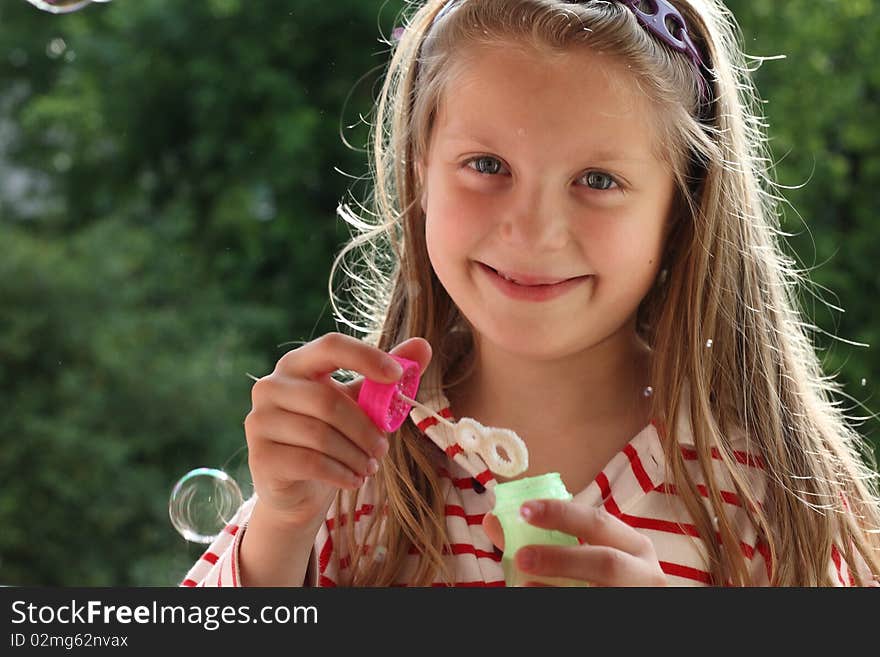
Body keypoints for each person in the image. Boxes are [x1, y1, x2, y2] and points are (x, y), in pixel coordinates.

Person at [180, 0, 880, 587]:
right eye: (486, 165)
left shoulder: (768, 496)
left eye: (598, 180)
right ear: (420, 167)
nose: (534, 232)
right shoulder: (351, 468)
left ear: (681, 204)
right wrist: (281, 524)